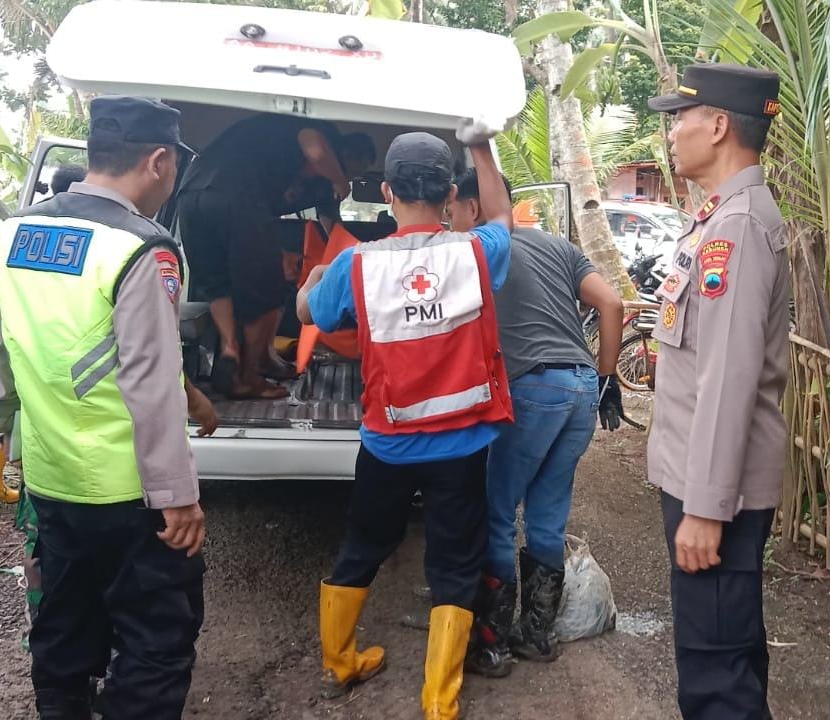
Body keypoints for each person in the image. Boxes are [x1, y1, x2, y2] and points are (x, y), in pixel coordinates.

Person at [0, 95, 209, 720]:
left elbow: (3, 347)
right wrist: (177, 497)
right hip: (128, 491)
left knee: (64, 621)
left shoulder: (16, 232)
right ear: (158, 162)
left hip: (50, 476)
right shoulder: (142, 247)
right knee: (158, 637)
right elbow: (150, 380)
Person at [297, 125, 514, 720]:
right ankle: (440, 701)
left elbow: (311, 314)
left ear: (388, 192)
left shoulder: (356, 264)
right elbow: (502, 217)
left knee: (364, 545)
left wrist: (313, 281)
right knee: (455, 563)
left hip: (387, 444)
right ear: (450, 194)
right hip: (462, 445)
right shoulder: (476, 253)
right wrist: (480, 147)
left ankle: (341, 663)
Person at [646, 63, 789, 719]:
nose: (672, 132)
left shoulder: (736, 229)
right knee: (727, 652)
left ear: (720, 125)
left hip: (714, 494)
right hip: (703, 479)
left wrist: (705, 509)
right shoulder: (719, 217)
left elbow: (728, 379)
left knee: (715, 677)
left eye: (681, 117)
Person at [444, 169, 626, 676]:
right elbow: (612, 304)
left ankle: (493, 643)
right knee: (547, 513)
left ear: (474, 208)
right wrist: (608, 379)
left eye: (452, 211)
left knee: (499, 512)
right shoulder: (558, 246)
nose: (450, 221)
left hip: (531, 389)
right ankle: (537, 635)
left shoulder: (474, 252)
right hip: (582, 389)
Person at [178, 113, 376, 398]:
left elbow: (332, 227)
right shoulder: (323, 133)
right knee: (270, 286)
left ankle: (232, 349)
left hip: (190, 196)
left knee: (218, 283)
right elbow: (316, 149)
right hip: (237, 194)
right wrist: (340, 181)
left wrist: (340, 251)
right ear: (347, 153)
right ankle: (249, 375)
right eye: (355, 171)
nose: (352, 178)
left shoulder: (317, 184)